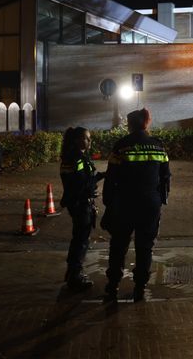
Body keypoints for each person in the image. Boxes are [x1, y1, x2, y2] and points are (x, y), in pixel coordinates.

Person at [101, 108, 171, 303]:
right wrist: (160, 200)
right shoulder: (158, 147)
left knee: (118, 246)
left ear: (129, 125)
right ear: (146, 123)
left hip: (124, 203)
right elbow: (166, 177)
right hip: (150, 204)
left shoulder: (121, 146)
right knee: (144, 247)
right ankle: (139, 288)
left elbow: (110, 178)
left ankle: (113, 286)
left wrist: (108, 204)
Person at [59, 126, 104, 290]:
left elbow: (80, 180)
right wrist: (98, 178)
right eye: (86, 138)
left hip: (76, 202)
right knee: (81, 240)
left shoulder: (72, 157)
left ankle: (72, 271)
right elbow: (81, 183)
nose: (89, 141)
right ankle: (75, 276)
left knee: (78, 238)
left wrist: (98, 177)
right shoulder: (77, 158)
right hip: (81, 203)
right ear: (78, 140)